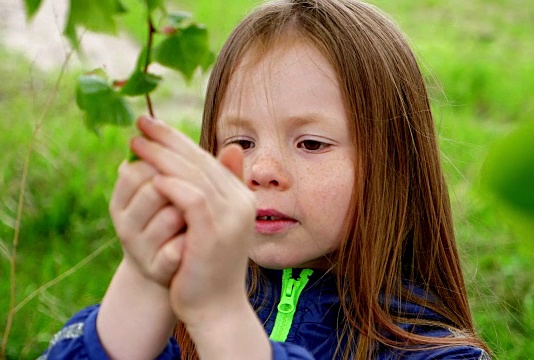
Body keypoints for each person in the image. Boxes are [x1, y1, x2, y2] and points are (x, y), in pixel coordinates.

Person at [40, 0, 491, 359]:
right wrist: (145, 279)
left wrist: (221, 320)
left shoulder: (437, 352)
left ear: (394, 162)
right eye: (240, 141)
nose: (262, 172)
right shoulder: (175, 320)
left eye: (311, 144)